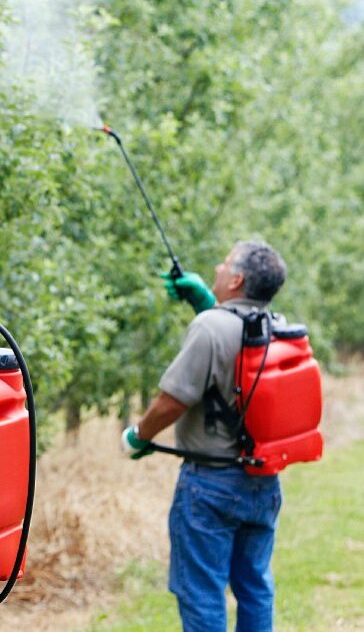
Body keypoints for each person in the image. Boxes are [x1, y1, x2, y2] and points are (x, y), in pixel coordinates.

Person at [121, 241, 289, 632]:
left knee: (201, 593)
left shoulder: (210, 327)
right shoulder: (277, 327)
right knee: (255, 587)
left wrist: (137, 435)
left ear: (237, 278)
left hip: (210, 486)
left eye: (225, 262)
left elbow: (172, 401)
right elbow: (232, 349)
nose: (217, 265)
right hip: (263, 483)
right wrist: (206, 301)